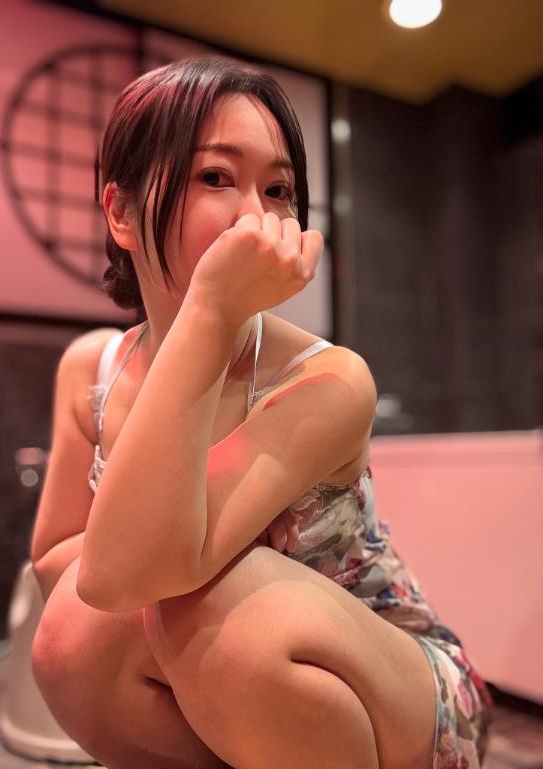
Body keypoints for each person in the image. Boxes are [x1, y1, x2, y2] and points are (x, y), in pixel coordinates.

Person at [30, 56, 493, 769]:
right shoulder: (92, 369)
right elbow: (63, 562)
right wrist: (150, 561)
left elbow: (139, 575)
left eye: (278, 190)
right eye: (216, 177)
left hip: (403, 686)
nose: (257, 216)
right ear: (121, 212)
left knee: (217, 611)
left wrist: (212, 309)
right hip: (236, 699)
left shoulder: (328, 380)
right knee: (72, 635)